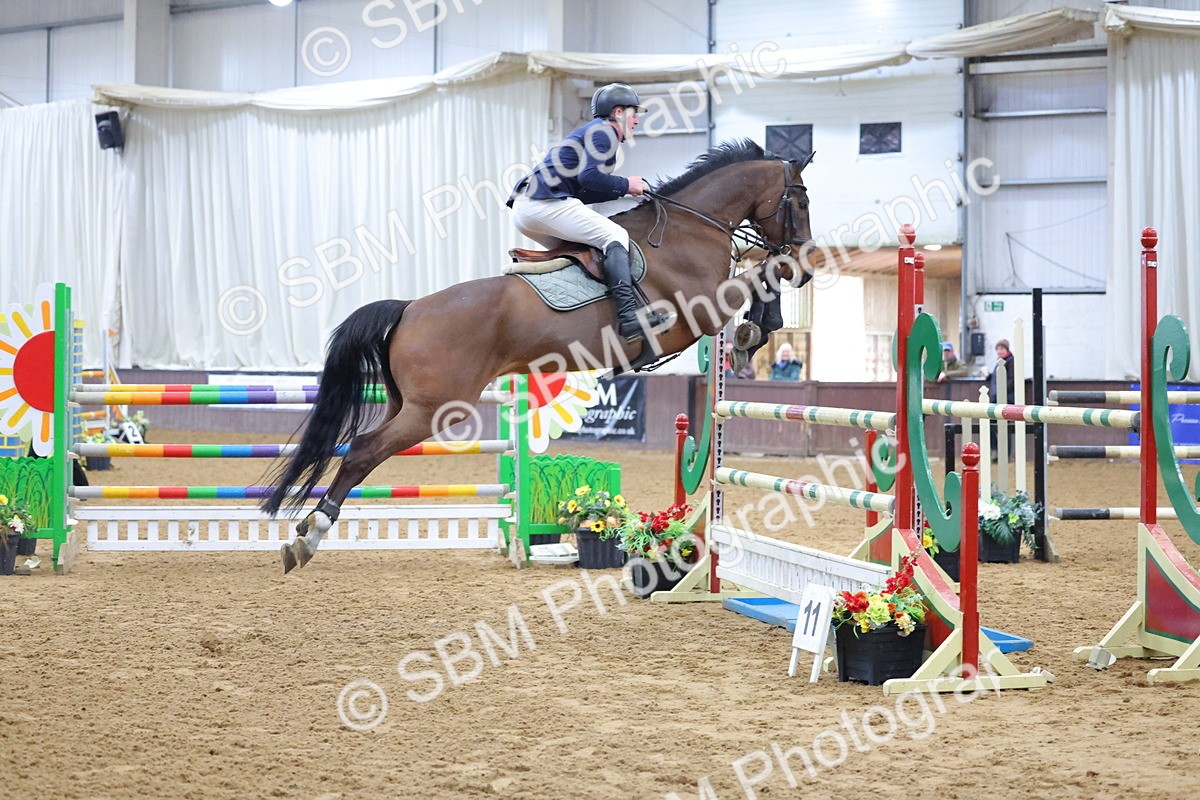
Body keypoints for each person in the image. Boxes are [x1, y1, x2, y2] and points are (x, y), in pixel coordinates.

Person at [508, 83, 673, 343]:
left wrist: (625, 191)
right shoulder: (605, 131)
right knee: (615, 236)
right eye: (634, 114)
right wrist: (626, 184)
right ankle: (629, 319)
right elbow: (590, 178)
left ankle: (579, 314)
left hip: (528, 209)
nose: (637, 122)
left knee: (585, 256)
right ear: (618, 112)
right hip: (543, 203)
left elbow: (585, 190)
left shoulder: (593, 132)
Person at [988, 339, 1017, 456]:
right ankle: (997, 451)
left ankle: (1005, 453)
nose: (999, 351)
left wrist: (1002, 392)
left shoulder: (1011, 362)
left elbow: (1012, 380)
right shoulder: (1000, 362)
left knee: (1004, 427)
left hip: (1006, 398)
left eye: (1001, 349)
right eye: (998, 349)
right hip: (996, 397)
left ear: (1007, 349)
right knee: (993, 425)